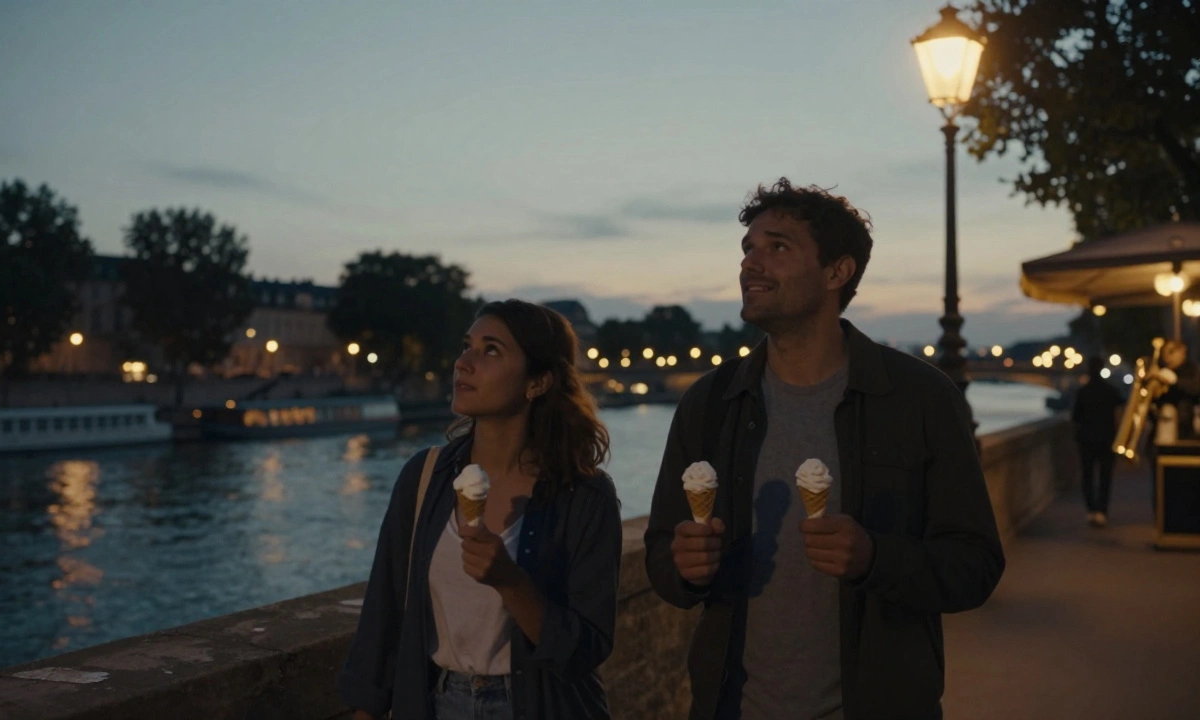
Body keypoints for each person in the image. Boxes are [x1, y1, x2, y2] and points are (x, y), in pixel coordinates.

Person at [644, 178, 1005, 719]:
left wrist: (875, 558)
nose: (751, 264)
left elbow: (975, 565)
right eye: (748, 249)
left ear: (838, 272)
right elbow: (662, 552)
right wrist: (685, 568)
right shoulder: (711, 403)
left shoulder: (921, 399)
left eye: (778, 247)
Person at [338, 300, 622, 720]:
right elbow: (384, 613)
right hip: (434, 703)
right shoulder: (424, 477)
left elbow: (586, 650)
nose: (463, 363)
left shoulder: (584, 496)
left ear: (538, 382)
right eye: (467, 346)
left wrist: (512, 584)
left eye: (491, 350)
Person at [1071, 356, 1124, 528]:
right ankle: (1102, 511)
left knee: (1087, 476)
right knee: (1105, 476)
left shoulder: (1083, 391)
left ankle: (1091, 510)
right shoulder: (1111, 391)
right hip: (1107, 439)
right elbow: (1121, 412)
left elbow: (1075, 417)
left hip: (1086, 440)